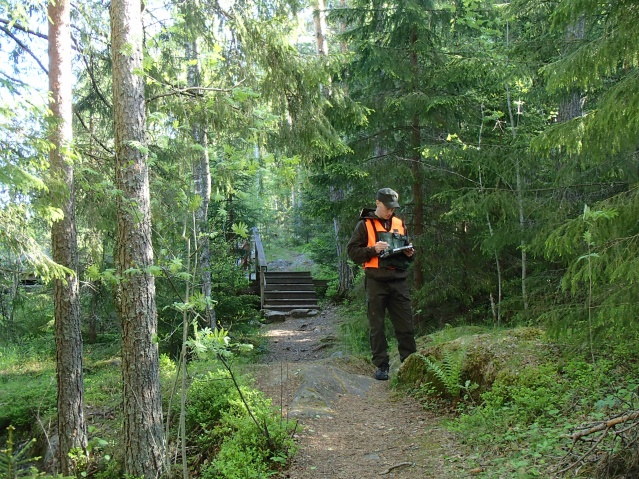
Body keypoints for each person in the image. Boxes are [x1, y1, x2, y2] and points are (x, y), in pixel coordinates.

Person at [347, 188, 417, 380]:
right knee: (376, 326)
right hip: (376, 281)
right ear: (378, 203)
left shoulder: (399, 223)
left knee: (405, 324)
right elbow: (352, 251)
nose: (390, 211)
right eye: (388, 207)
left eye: (393, 208)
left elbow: (407, 252)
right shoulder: (364, 225)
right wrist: (372, 250)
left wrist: (410, 254)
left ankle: (410, 362)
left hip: (399, 280)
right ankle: (382, 366)